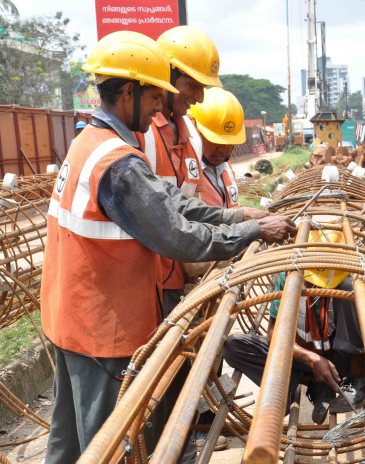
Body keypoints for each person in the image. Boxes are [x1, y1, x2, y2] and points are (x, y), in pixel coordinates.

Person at [40, 31, 297, 463]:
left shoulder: (96, 144)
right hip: (104, 329)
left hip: (70, 318)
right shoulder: (117, 164)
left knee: (68, 445)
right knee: (111, 446)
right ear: (128, 93)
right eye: (155, 95)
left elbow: (171, 200)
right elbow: (176, 236)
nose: (162, 104)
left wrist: (240, 216)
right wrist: (251, 234)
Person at [134, 25, 269, 317]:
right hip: (146, 281)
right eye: (193, 85)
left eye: (203, 88)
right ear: (166, 74)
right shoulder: (140, 134)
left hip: (185, 272)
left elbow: (186, 204)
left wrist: (238, 221)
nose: (198, 98)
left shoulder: (191, 137)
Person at [223, 229, 365, 424]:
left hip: (347, 360)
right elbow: (273, 333)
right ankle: (315, 383)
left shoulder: (360, 276)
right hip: (308, 356)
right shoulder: (292, 275)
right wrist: (311, 359)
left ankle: (358, 381)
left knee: (351, 291)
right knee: (234, 346)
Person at [189, 87, 244, 208]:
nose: (223, 149)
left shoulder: (225, 167)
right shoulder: (188, 171)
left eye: (229, 142)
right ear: (196, 131)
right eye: (216, 141)